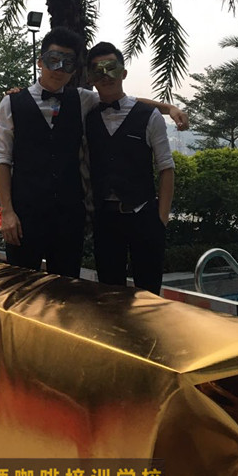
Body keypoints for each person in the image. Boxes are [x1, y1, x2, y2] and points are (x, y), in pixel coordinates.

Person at [0, 26, 184, 278]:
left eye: (68, 63)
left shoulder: (82, 99)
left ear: (75, 69)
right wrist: (7, 211)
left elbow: (124, 100)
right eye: (53, 60)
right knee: (21, 288)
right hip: (23, 217)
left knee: (68, 292)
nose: (60, 68)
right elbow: (2, 158)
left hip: (69, 221)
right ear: (40, 62)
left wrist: (168, 108)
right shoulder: (11, 103)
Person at [85, 42, 175, 294]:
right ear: (91, 78)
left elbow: (166, 167)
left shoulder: (149, 116)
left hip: (144, 215)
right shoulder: (86, 115)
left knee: (149, 293)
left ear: (123, 73)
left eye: (111, 68)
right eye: (98, 70)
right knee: (109, 293)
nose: (106, 76)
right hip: (105, 218)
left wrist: (161, 219)